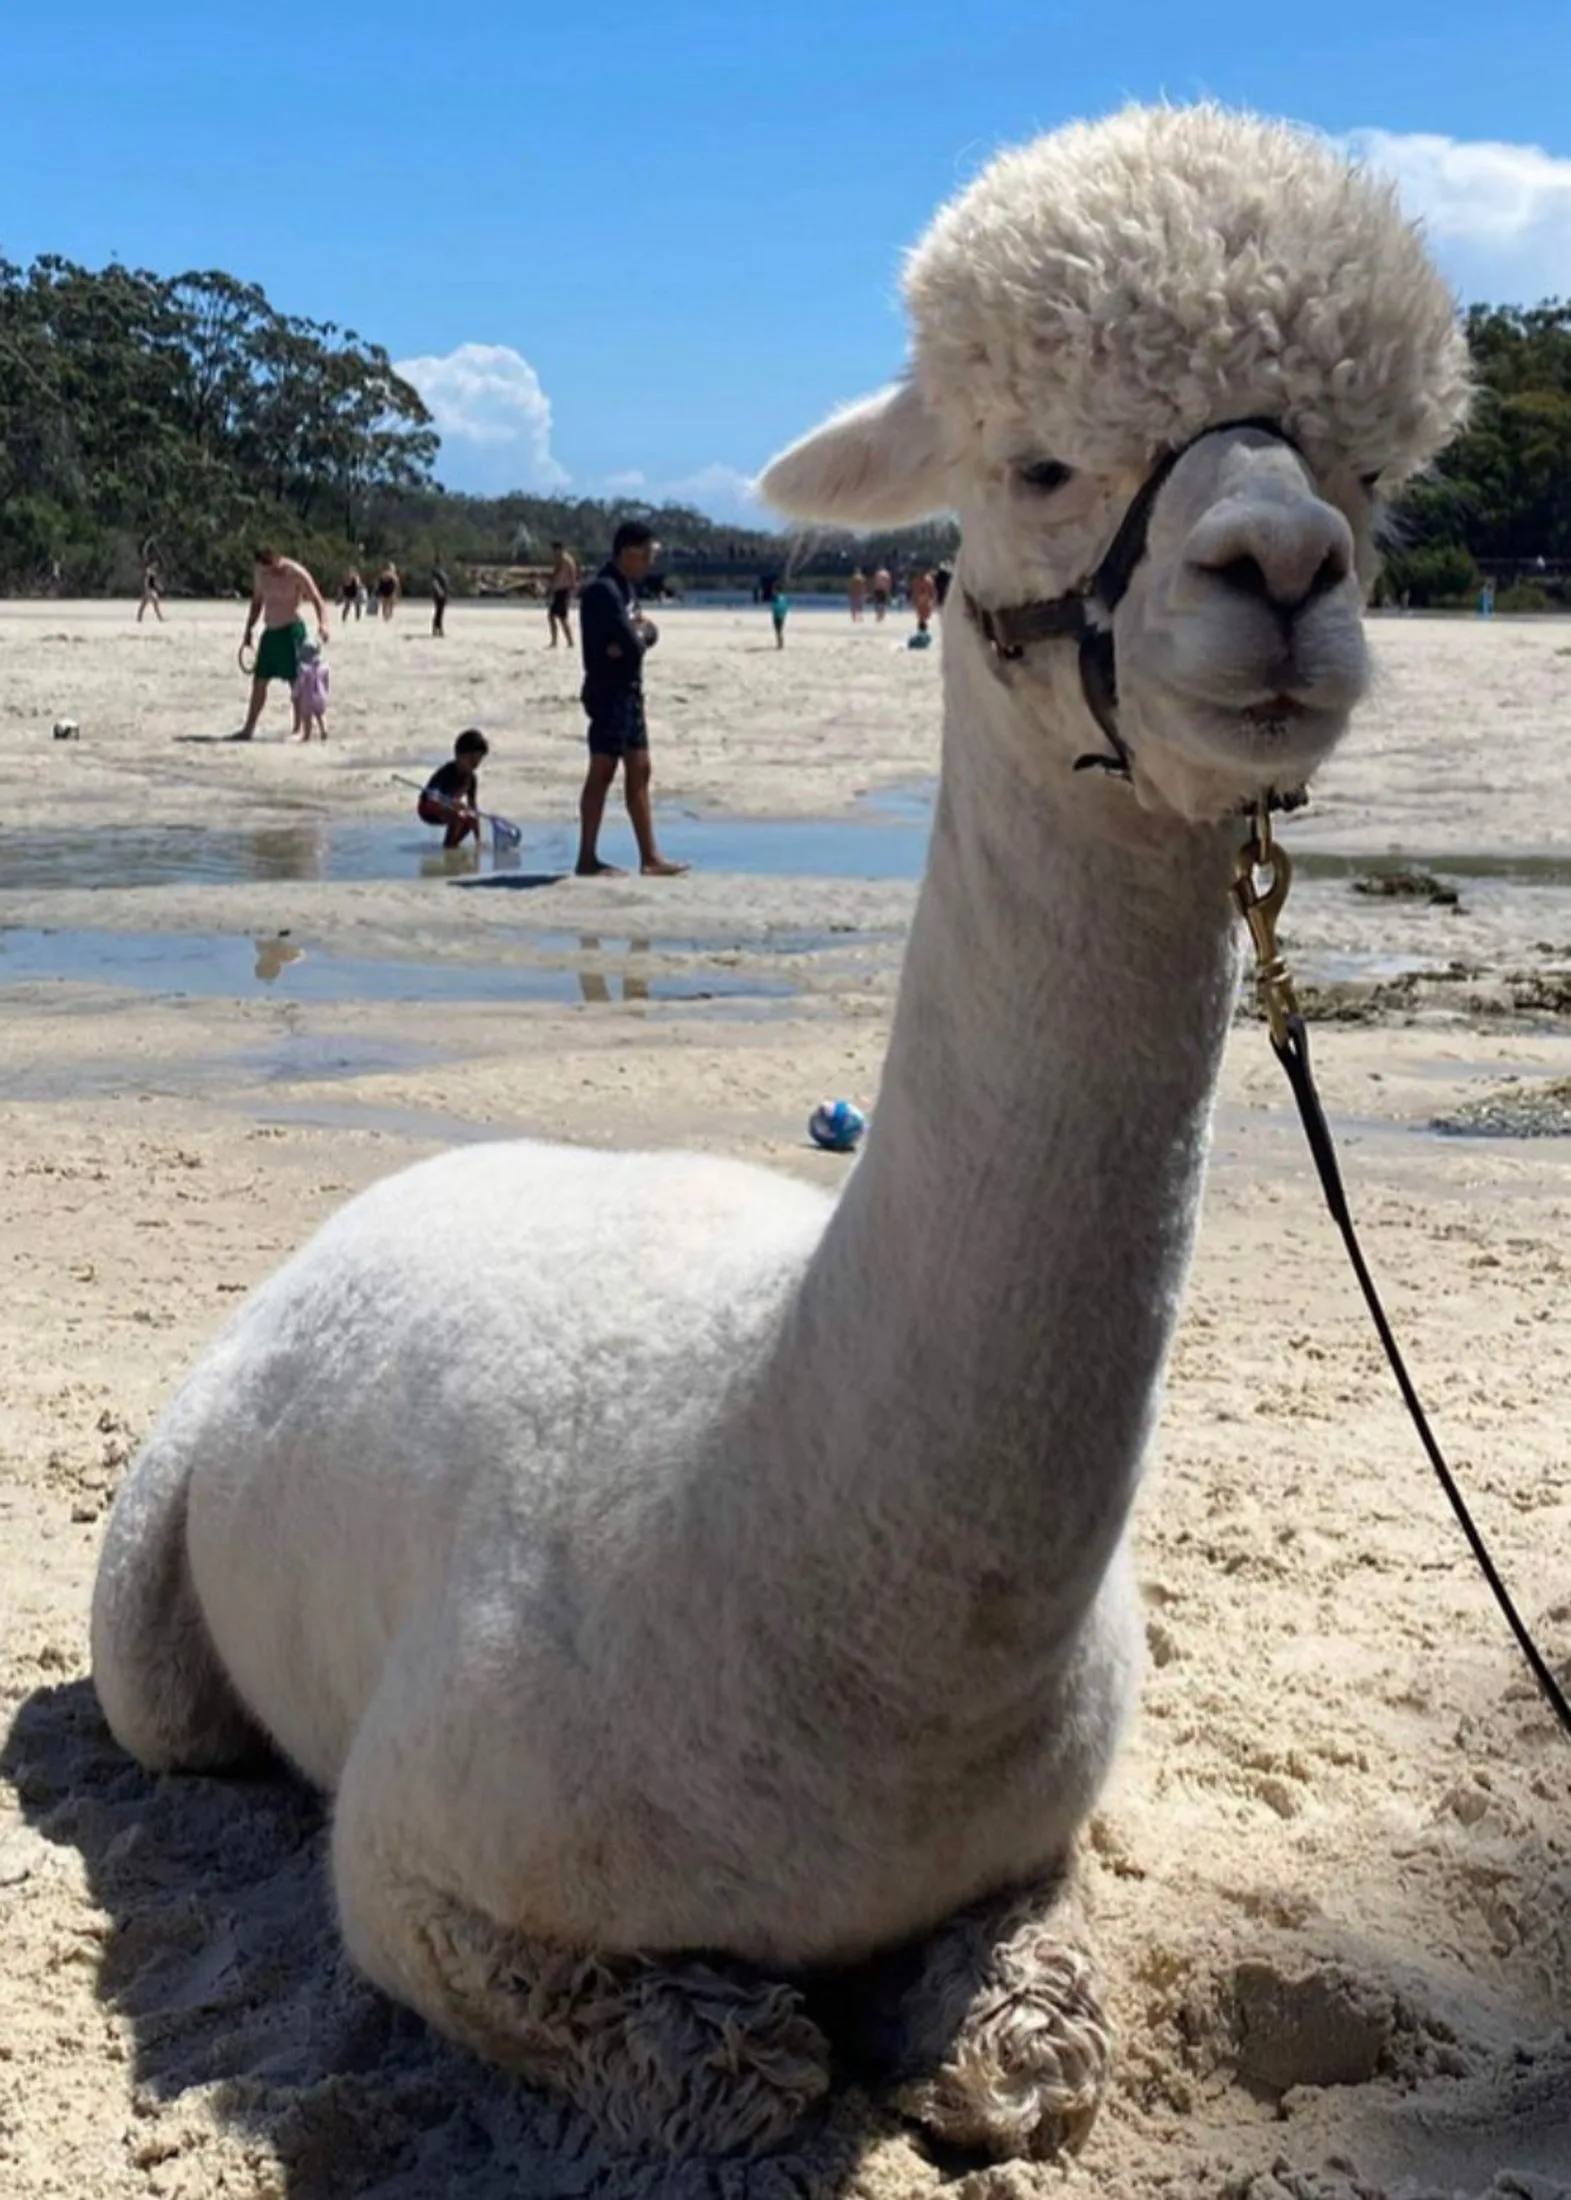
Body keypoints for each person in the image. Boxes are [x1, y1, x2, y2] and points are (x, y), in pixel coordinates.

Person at [576, 520, 688, 878]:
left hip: (630, 691)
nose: (650, 563)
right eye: (647, 556)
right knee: (603, 771)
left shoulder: (626, 588)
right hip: (607, 692)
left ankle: (650, 856)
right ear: (628, 553)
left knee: (640, 770)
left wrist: (639, 633)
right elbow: (632, 644)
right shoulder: (604, 590)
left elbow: (642, 636)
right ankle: (587, 857)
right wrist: (634, 636)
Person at [235, 547, 329, 740]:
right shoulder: (260, 573)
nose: (269, 573)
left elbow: (317, 599)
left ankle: (299, 729)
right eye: (265, 569)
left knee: (297, 682)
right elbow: (257, 602)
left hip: (292, 631)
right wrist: (248, 631)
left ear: (277, 560)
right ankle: (249, 728)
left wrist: (324, 624)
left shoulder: (296, 572)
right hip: (271, 632)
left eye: (271, 568)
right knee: (259, 681)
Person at [417, 728, 488, 849]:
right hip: (427, 809)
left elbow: (473, 809)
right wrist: (450, 803)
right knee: (458, 815)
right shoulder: (447, 772)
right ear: (459, 755)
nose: (475, 764)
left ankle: (453, 843)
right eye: (472, 760)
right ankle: (448, 846)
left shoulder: (471, 779)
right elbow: (432, 797)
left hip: (448, 810)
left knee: (470, 816)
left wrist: (478, 840)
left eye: (478, 761)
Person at [291, 640, 331, 741]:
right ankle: (324, 730)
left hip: (307, 697)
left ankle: (307, 735)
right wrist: (326, 691)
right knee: (321, 714)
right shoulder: (323, 668)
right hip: (320, 695)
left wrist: (295, 694)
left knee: (306, 717)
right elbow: (326, 682)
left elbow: (300, 683)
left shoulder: (304, 669)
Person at [547, 541, 579, 648]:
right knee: (554, 616)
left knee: (561, 617)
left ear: (558, 549)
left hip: (563, 591)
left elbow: (571, 576)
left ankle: (568, 642)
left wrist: (571, 590)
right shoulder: (561, 560)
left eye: (553, 551)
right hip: (559, 590)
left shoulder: (565, 560)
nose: (552, 553)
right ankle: (557, 641)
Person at [910, 568, 938, 635]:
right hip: (921, 602)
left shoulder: (928, 581)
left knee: (923, 617)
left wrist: (933, 600)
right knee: (921, 617)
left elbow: (932, 592)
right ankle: (922, 630)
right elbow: (914, 592)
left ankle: (922, 630)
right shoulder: (917, 581)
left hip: (925, 602)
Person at [137, 558, 165, 624]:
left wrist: (159, 587)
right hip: (149, 590)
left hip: (151, 590)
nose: (156, 565)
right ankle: (159, 618)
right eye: (155, 563)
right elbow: (146, 581)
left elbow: (154, 582)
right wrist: (147, 589)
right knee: (147, 604)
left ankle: (139, 618)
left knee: (145, 604)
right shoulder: (149, 571)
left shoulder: (153, 572)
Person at [431, 561, 450, 639]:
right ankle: (438, 628)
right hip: (439, 595)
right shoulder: (436, 573)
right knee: (439, 612)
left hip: (443, 595)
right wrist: (440, 592)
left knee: (440, 612)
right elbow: (435, 583)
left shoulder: (442, 573)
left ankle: (438, 628)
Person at [771, 584, 789, 649]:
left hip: (777, 615)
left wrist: (773, 610)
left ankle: (780, 644)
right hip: (782, 615)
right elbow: (786, 606)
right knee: (780, 630)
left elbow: (775, 606)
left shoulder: (776, 597)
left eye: (774, 590)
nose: (773, 591)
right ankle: (780, 643)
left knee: (778, 631)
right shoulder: (784, 597)